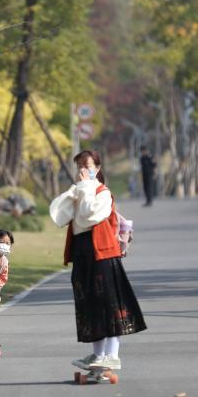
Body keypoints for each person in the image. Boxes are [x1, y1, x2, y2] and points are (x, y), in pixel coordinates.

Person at [50, 149, 146, 372]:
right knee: (89, 304)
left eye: (87, 165)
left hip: (103, 254)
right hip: (82, 253)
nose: (83, 170)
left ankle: (112, 355)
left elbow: (90, 214)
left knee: (109, 304)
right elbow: (59, 215)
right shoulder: (80, 192)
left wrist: (84, 189)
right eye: (79, 166)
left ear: (98, 168)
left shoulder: (103, 193)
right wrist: (77, 190)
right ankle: (98, 354)